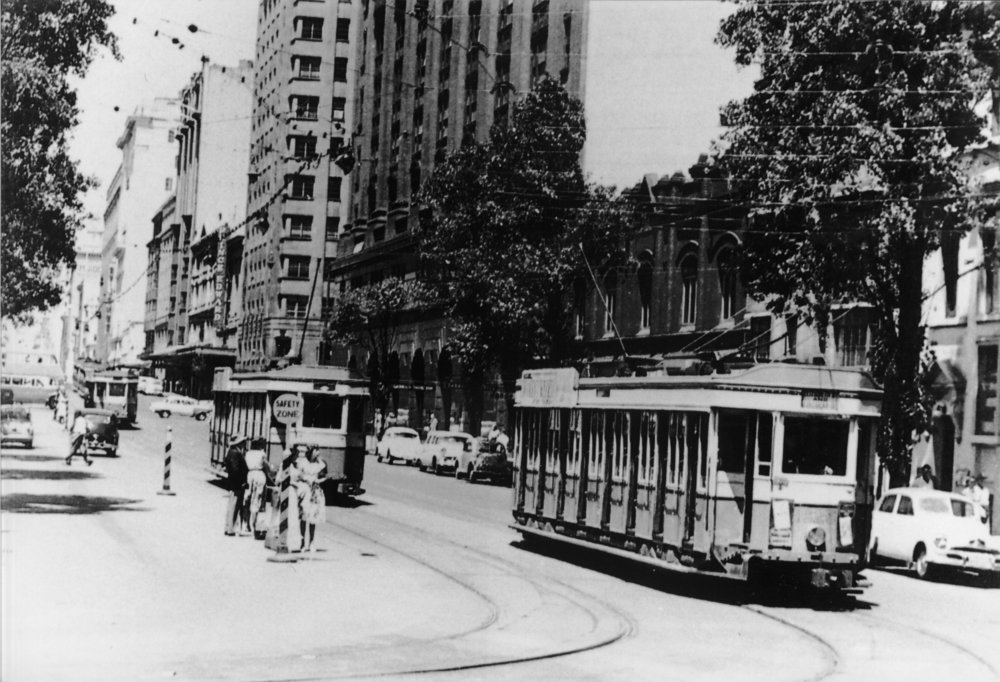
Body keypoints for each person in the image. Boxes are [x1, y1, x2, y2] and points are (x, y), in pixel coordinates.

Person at [296, 445, 328, 552]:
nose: (318, 453)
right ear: (311, 451)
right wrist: (307, 479)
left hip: (315, 493)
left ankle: (311, 542)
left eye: (318, 450)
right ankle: (302, 542)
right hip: (305, 491)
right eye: (316, 450)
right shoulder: (302, 463)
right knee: (304, 516)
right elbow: (298, 475)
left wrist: (319, 481)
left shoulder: (320, 464)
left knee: (313, 517)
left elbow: (324, 477)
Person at [244, 438, 272, 537]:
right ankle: (254, 525)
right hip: (259, 476)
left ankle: (246, 524)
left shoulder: (248, 453)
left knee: (248, 499)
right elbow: (267, 467)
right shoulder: (262, 454)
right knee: (257, 500)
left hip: (250, 475)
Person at [224, 436, 249, 536]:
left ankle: (228, 527)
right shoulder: (236, 453)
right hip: (236, 485)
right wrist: (241, 482)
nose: (244, 444)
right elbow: (235, 470)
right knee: (234, 506)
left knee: (232, 506)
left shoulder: (231, 452)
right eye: (243, 442)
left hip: (233, 484)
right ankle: (231, 529)